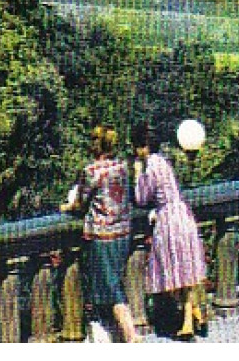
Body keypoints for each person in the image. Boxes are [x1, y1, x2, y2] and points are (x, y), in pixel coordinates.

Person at [61, 126, 138, 344]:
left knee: (110, 286)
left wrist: (67, 206)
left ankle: (130, 334)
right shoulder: (122, 168)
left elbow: (80, 203)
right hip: (123, 232)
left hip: (102, 236)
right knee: (113, 281)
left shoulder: (92, 171)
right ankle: (116, 332)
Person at [131, 124, 207, 340]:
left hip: (168, 220)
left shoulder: (150, 166)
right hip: (182, 214)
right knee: (186, 268)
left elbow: (142, 197)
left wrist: (137, 174)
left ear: (143, 147)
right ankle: (193, 312)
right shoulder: (164, 161)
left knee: (174, 269)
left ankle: (187, 321)